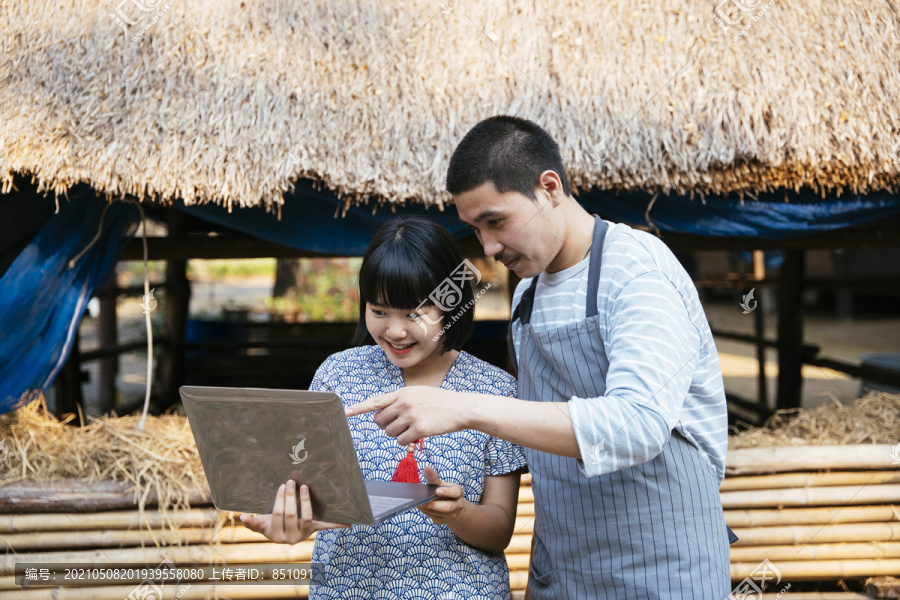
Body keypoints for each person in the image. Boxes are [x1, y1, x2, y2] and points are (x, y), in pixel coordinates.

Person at [346, 116, 734, 599]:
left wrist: (465, 407)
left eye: (496, 221)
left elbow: (637, 424)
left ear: (549, 188)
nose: (487, 247)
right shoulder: (529, 289)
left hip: (658, 567)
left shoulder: (636, 273)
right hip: (563, 569)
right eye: (474, 228)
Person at [241, 216, 527, 600]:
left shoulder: (496, 391)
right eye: (379, 310)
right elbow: (308, 490)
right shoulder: (337, 377)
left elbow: (500, 530)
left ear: (451, 302)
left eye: (414, 314)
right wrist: (295, 522)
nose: (394, 331)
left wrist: (458, 513)